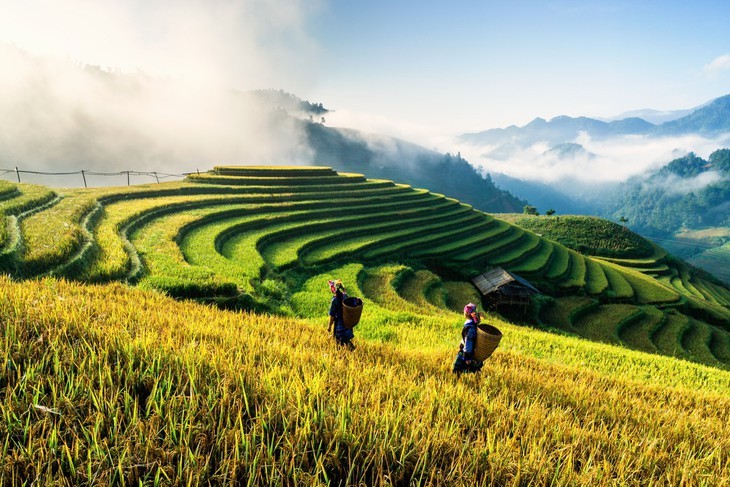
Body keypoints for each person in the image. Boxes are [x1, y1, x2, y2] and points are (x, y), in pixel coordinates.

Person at [452, 303, 484, 375]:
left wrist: (467, 358)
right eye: (474, 311)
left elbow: (468, 342)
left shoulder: (470, 327)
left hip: (468, 353)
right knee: (471, 372)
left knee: (458, 371)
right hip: (471, 352)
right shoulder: (471, 325)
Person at [328, 279, 355, 351]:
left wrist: (329, 326)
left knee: (339, 342)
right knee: (346, 340)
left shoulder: (334, 300)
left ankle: (341, 356)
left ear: (334, 289)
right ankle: (352, 352)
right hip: (347, 323)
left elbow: (332, 315)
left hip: (339, 325)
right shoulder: (345, 296)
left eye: (331, 288)